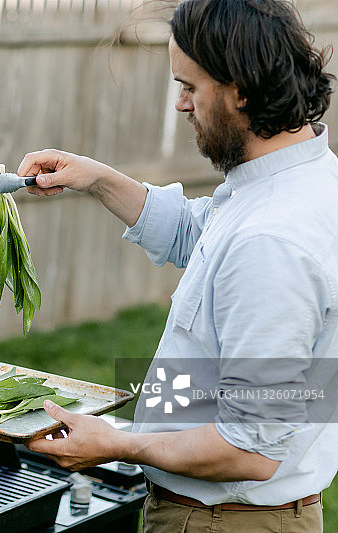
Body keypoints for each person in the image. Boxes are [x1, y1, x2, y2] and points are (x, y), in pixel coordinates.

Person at [19, 0, 338, 531]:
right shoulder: (302, 178)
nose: (180, 104)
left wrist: (116, 444)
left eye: (189, 86)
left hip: (222, 519)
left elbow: (247, 451)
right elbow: (204, 238)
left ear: (241, 89)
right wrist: (98, 177)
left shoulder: (272, 239)